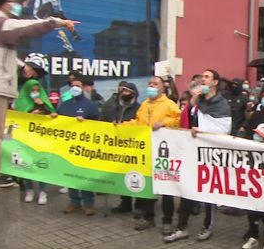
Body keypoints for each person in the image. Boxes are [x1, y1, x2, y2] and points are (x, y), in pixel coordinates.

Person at [0, 0, 75, 187]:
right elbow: (29, 26)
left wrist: (23, 66)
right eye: (13, 1)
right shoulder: (1, 22)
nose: (17, 5)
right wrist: (58, 22)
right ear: (3, 4)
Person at [163, 69, 232, 243]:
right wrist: (194, 98)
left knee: (207, 191)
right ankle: (182, 227)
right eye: (202, 77)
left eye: (207, 77)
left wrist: (202, 131)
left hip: (209, 153)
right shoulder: (198, 101)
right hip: (192, 151)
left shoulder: (221, 103)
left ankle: (207, 226)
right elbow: (187, 118)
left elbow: (224, 129)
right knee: (186, 188)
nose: (203, 79)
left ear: (215, 82)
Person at [124, 76, 181, 232]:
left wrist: (164, 123)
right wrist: (123, 125)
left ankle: (167, 221)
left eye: (155, 84)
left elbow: (180, 119)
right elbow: (138, 122)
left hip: (164, 153)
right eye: (149, 83)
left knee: (166, 188)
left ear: (163, 88)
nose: (151, 86)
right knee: (147, 186)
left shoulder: (169, 104)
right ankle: (148, 218)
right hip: (146, 151)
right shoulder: (144, 105)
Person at [56, 77, 100, 215]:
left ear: (83, 87)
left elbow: (98, 124)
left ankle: (89, 203)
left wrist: (85, 122)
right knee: (70, 175)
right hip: (68, 146)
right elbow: (58, 122)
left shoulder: (90, 105)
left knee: (84, 175)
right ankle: (74, 201)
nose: (74, 88)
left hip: (84, 147)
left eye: (78, 86)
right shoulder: (64, 105)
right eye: (72, 85)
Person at [100, 83, 141, 214]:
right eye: (122, 90)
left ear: (133, 94)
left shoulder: (139, 108)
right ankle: (125, 202)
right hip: (118, 146)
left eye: (127, 91)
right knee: (123, 174)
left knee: (136, 174)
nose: (123, 93)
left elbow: (140, 125)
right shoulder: (116, 107)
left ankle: (139, 204)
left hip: (134, 147)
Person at [13, 79, 56, 204]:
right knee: (27, 164)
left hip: (42, 139)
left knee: (41, 164)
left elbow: (52, 114)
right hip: (26, 139)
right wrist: (31, 114)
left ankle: (43, 192)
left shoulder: (44, 101)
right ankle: (29, 190)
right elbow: (18, 119)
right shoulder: (20, 103)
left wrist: (44, 106)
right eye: (32, 91)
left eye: (37, 90)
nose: (35, 93)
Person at [241, 123, 264, 249]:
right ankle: (253, 236)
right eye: (256, 134)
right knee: (252, 213)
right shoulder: (248, 146)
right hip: (252, 185)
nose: (256, 137)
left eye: (260, 136)